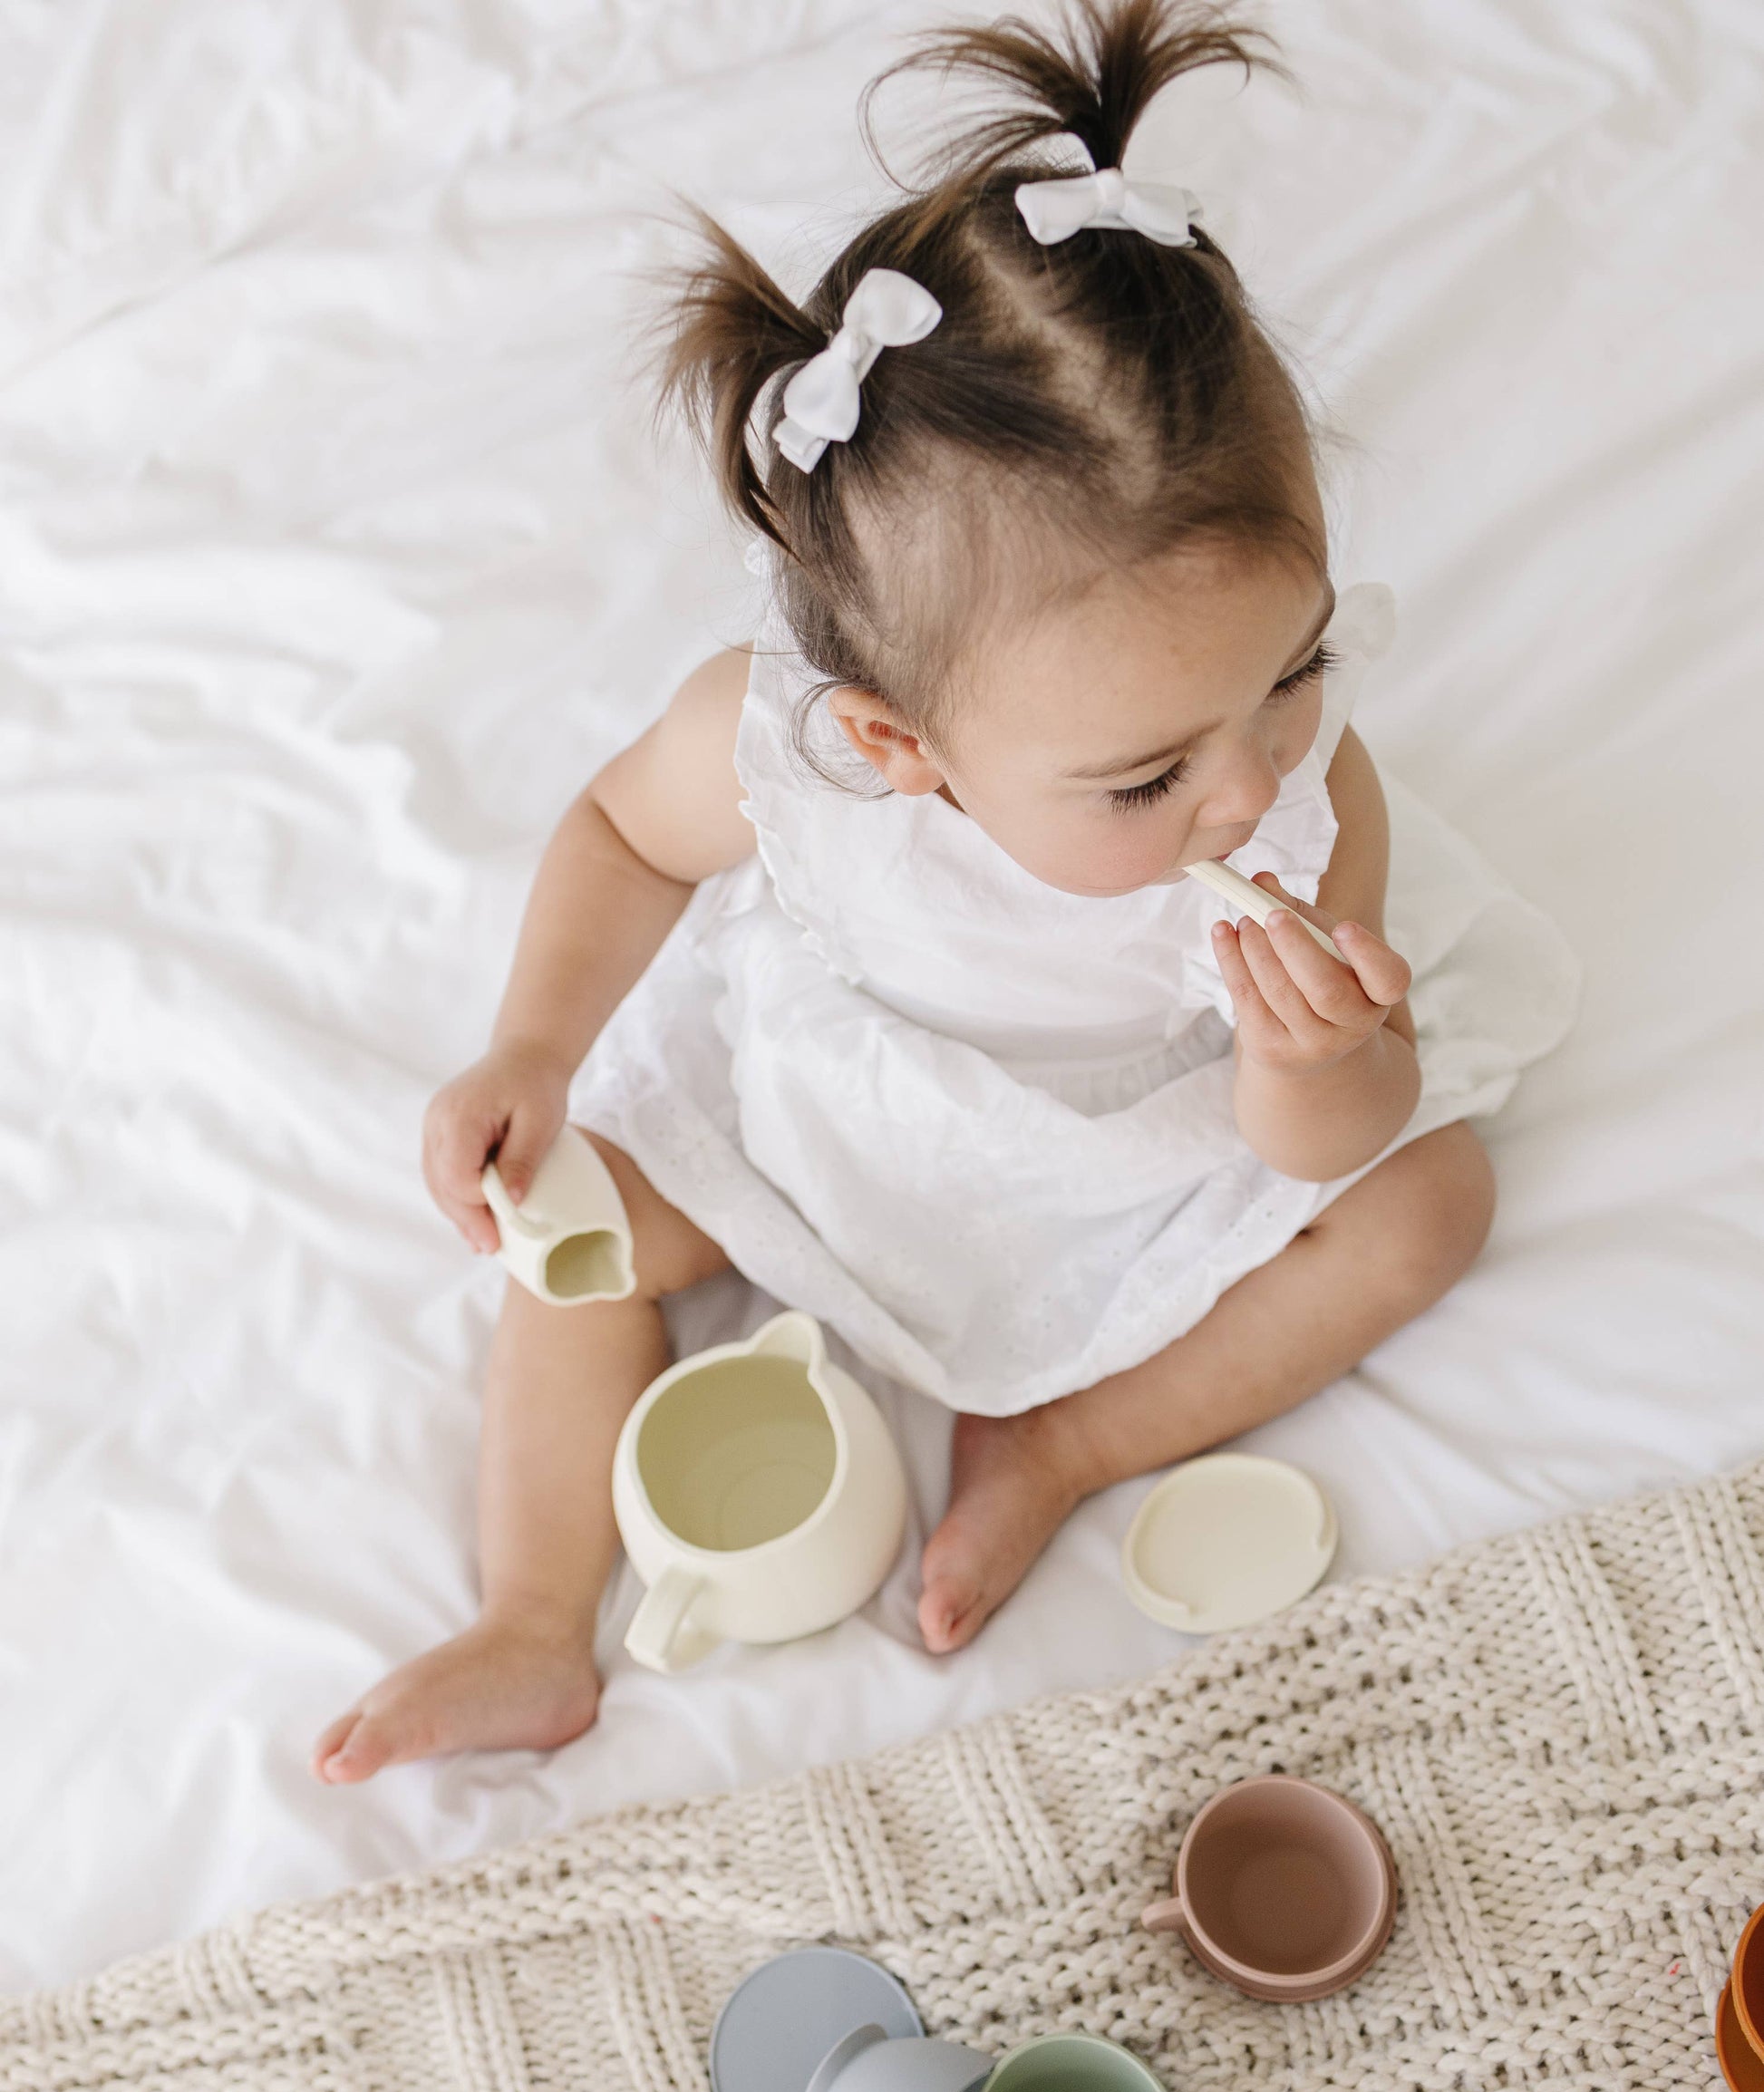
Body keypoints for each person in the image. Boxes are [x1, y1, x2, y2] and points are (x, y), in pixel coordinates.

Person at [315, 0, 1575, 1783]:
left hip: (1134, 1144)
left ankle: (1062, 1443)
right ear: (898, 748)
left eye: (1290, 669)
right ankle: (531, 1618)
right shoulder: (780, 756)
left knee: (1425, 1206)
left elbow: (1318, 1144)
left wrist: (1316, 1061)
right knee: (564, 1220)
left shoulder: (1307, 804)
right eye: (1144, 777)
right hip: (839, 1116)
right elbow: (621, 837)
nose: (1251, 782)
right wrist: (531, 1047)